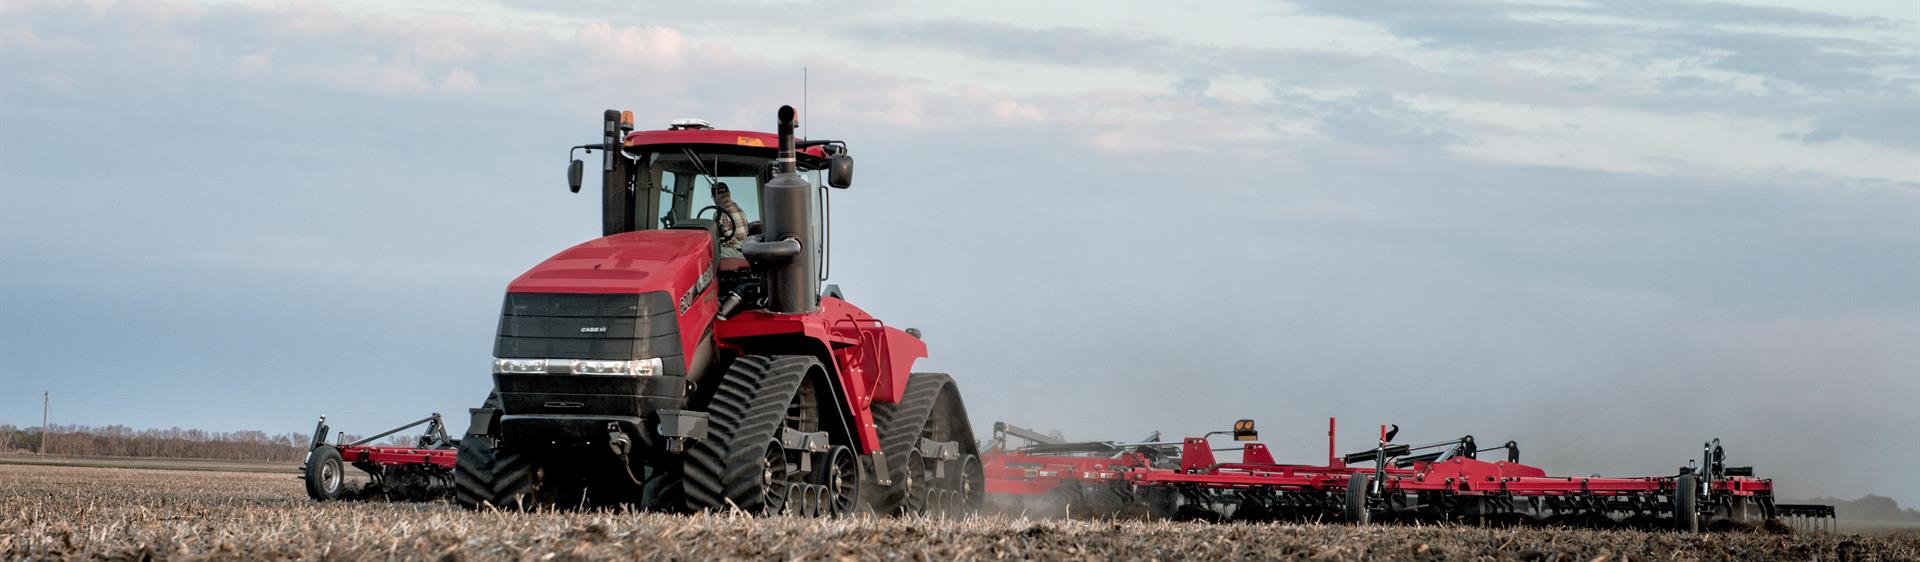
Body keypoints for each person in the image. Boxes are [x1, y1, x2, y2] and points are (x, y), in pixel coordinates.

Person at [712, 182, 749, 259]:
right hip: (735, 249)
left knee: (709, 255)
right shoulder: (738, 209)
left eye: (714, 198)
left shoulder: (725, 213)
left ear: (715, 198)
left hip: (736, 251)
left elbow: (740, 237)